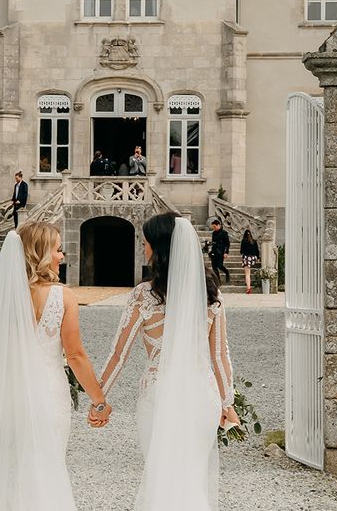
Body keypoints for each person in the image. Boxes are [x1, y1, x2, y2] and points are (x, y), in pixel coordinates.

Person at [0, 222, 111, 510]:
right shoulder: (63, 296)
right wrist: (99, 400)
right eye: (57, 249)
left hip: (9, 398)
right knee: (47, 469)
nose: (62, 256)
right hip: (49, 397)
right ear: (41, 254)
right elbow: (75, 355)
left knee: (11, 471)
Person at [98, 212, 239, 510]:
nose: (144, 248)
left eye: (147, 242)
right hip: (202, 397)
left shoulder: (143, 296)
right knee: (191, 479)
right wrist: (228, 403)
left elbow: (118, 353)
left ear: (159, 248)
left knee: (162, 478)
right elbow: (219, 355)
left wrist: (99, 397)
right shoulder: (212, 294)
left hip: (158, 396)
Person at [208, 218, 231, 284]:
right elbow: (214, 242)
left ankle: (227, 272)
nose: (214, 228)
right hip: (214, 251)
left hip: (221, 252)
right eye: (213, 227)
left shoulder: (224, 233)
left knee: (220, 265)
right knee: (214, 267)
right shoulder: (214, 233)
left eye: (215, 227)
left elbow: (228, 244)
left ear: (219, 225)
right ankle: (218, 281)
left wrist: (226, 252)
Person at [240, 228, 260, 294]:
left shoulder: (243, 241)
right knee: (249, 273)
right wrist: (257, 257)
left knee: (247, 274)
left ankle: (248, 288)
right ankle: (249, 287)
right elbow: (257, 251)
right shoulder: (254, 241)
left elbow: (241, 251)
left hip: (246, 257)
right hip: (253, 258)